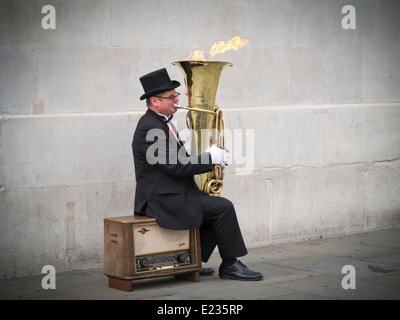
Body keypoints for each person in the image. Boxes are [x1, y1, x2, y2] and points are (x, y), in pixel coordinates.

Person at [132, 68, 263, 281]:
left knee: (213, 206)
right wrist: (209, 158)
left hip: (171, 193)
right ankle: (230, 264)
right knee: (223, 208)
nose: (176, 99)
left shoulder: (160, 123)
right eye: (171, 96)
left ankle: (190, 262)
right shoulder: (150, 128)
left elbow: (174, 164)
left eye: (176, 95)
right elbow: (175, 167)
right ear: (155, 101)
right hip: (161, 199)